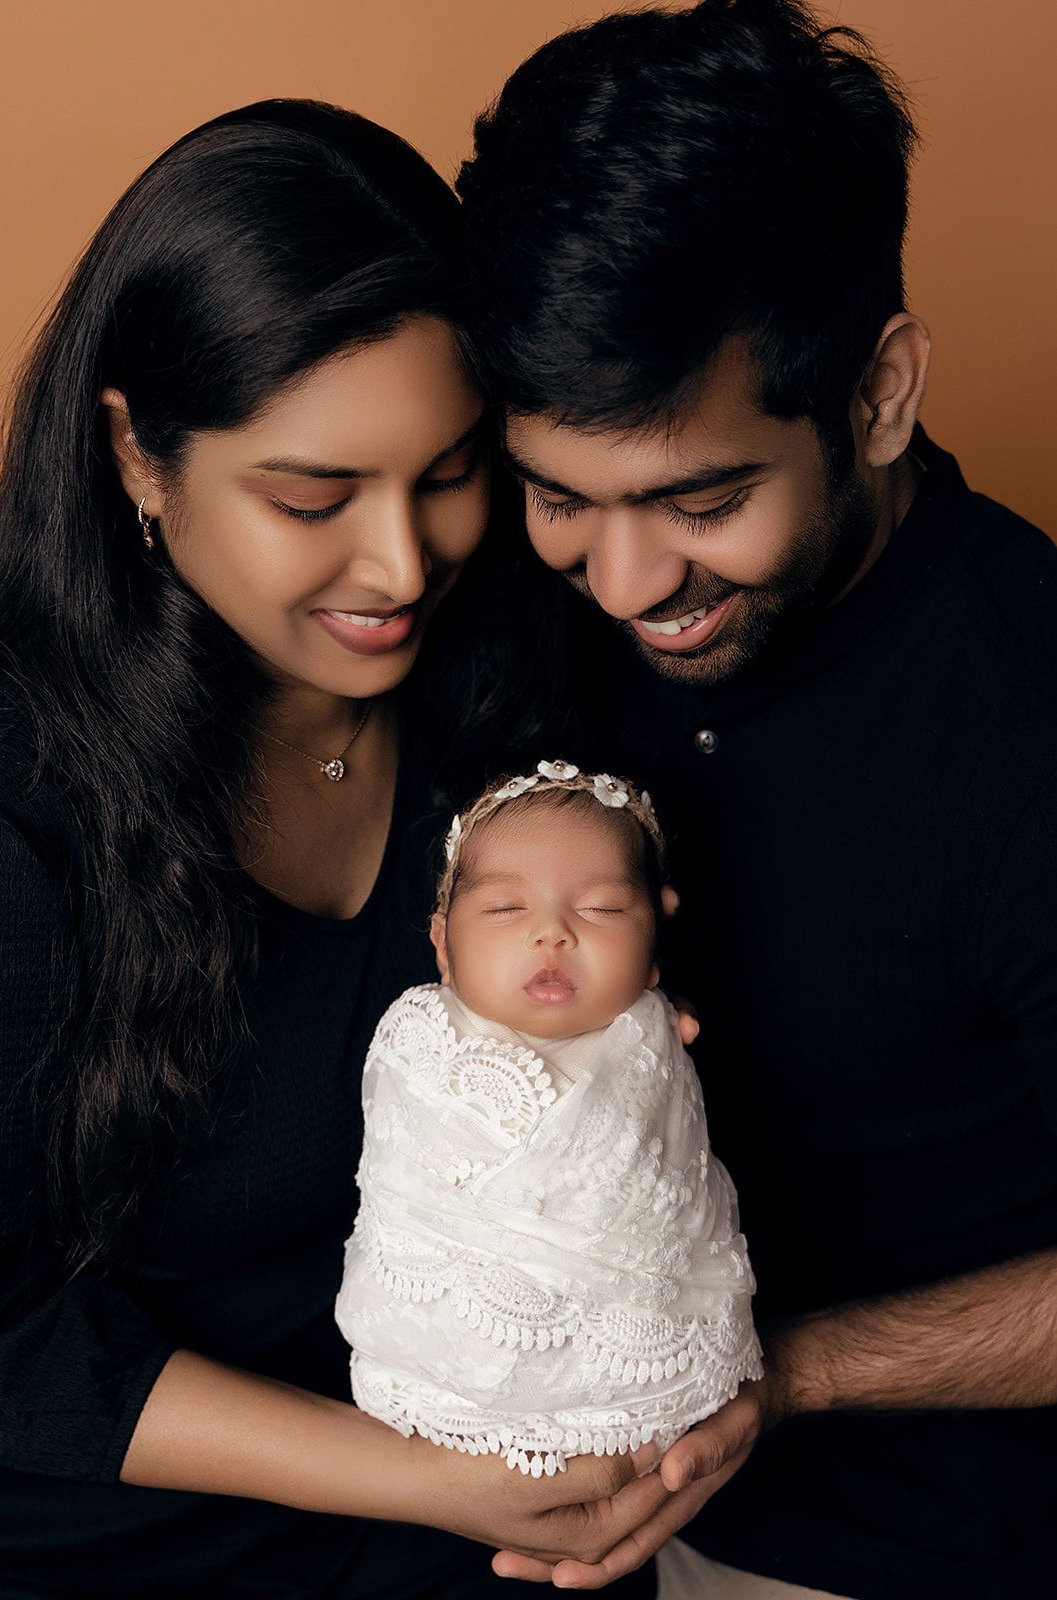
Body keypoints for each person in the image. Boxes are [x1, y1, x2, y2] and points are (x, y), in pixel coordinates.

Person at [0, 98, 689, 1599]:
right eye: (311, 498)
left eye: (447, 473)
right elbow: (1, 1339)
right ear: (135, 457)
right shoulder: (18, 796)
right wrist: (429, 1480)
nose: (401, 563)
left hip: (482, 1522)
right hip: (133, 1553)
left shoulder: (520, 676)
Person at [455, 2, 1057, 1596]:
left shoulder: (1021, 711)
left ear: (877, 393)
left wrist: (781, 1376)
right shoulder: (505, 605)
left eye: (700, 501)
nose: (624, 582)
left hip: (916, 1554)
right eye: (557, 497)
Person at [336, 763, 762, 1476]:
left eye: (602, 909)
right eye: (506, 909)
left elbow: (673, 1206)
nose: (551, 933)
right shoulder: (420, 1040)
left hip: (639, 1379)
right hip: (436, 1378)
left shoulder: (650, 1044)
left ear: (653, 952)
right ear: (442, 946)